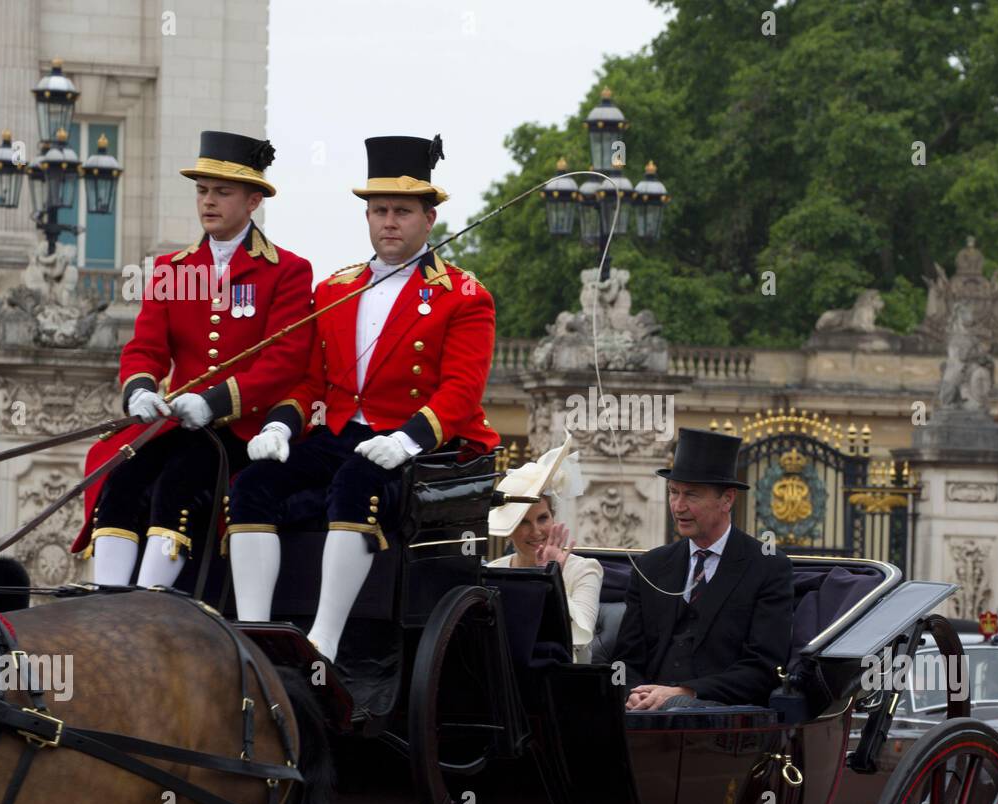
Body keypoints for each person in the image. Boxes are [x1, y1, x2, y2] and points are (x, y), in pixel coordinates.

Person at [226, 135, 497, 663]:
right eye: (378, 211)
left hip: (424, 449)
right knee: (252, 483)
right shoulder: (334, 289)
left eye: (401, 211)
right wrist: (280, 425)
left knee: (356, 480)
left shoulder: (464, 296)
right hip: (346, 433)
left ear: (429, 219)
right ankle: (253, 635)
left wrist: (408, 439)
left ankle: (323, 641)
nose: (388, 222)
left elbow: (461, 391)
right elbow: (310, 382)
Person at [72, 131, 314, 588]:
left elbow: (285, 360)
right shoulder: (173, 269)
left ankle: (149, 599)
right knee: (121, 476)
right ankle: (106, 596)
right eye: (202, 191)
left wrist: (214, 402)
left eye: (222, 192)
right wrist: (140, 388)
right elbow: (145, 348)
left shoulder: (287, 270)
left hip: (243, 427)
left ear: (254, 201)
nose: (208, 202)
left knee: (176, 487)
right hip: (179, 424)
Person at [613, 428, 792, 710]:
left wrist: (684, 693)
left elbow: (764, 668)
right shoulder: (650, 566)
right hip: (644, 720)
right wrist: (633, 693)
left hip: (720, 724)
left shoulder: (767, 567)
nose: (678, 506)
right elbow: (624, 660)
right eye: (673, 493)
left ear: (727, 500)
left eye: (691, 495)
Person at [487, 435, 603, 663]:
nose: (536, 531)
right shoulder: (492, 572)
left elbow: (580, 637)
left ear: (554, 517)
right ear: (510, 530)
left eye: (543, 518)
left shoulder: (586, 570)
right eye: (524, 522)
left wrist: (551, 576)